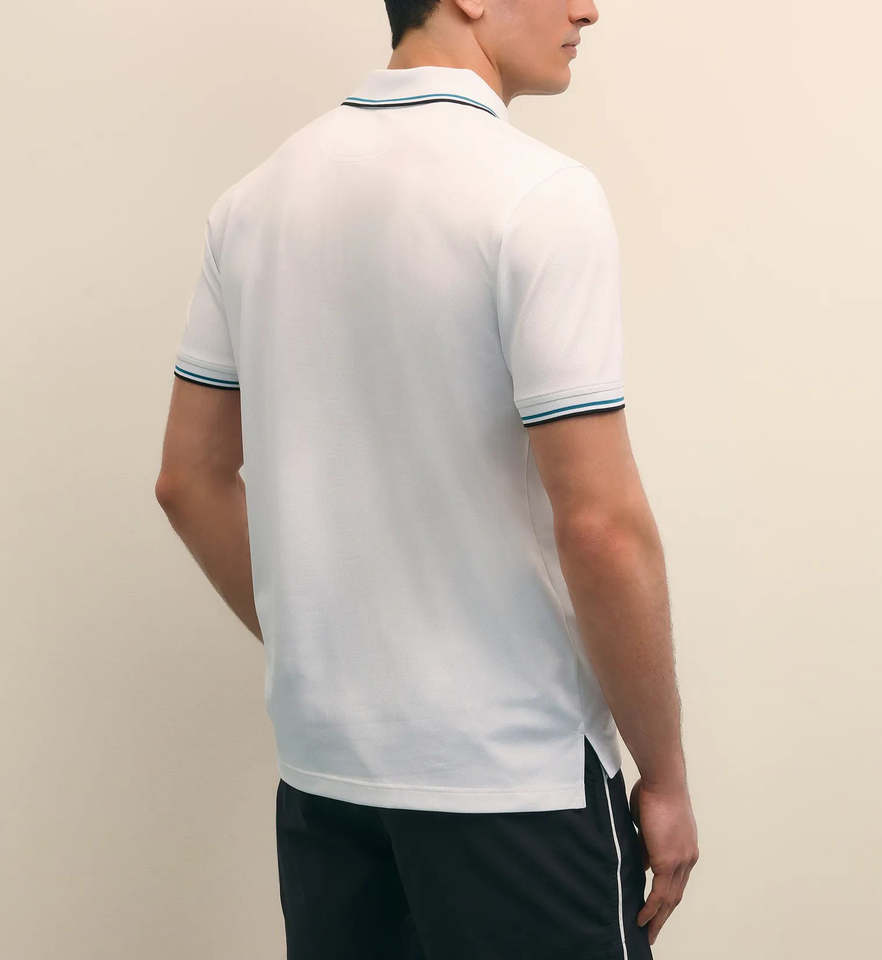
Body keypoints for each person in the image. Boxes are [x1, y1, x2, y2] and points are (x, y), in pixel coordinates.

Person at [156, 1, 698, 956]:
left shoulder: (253, 204)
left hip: (327, 777)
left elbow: (187, 480)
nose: (589, 8)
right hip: (515, 783)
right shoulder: (538, 195)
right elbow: (601, 525)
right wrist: (664, 775)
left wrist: (339, 653)